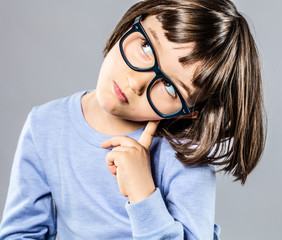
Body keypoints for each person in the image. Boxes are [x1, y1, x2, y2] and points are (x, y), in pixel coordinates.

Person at [0, 0, 266, 239]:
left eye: (171, 88)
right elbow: (20, 233)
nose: (136, 82)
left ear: (188, 112)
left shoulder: (186, 157)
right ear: (132, 22)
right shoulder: (45, 124)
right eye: (146, 47)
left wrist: (143, 195)